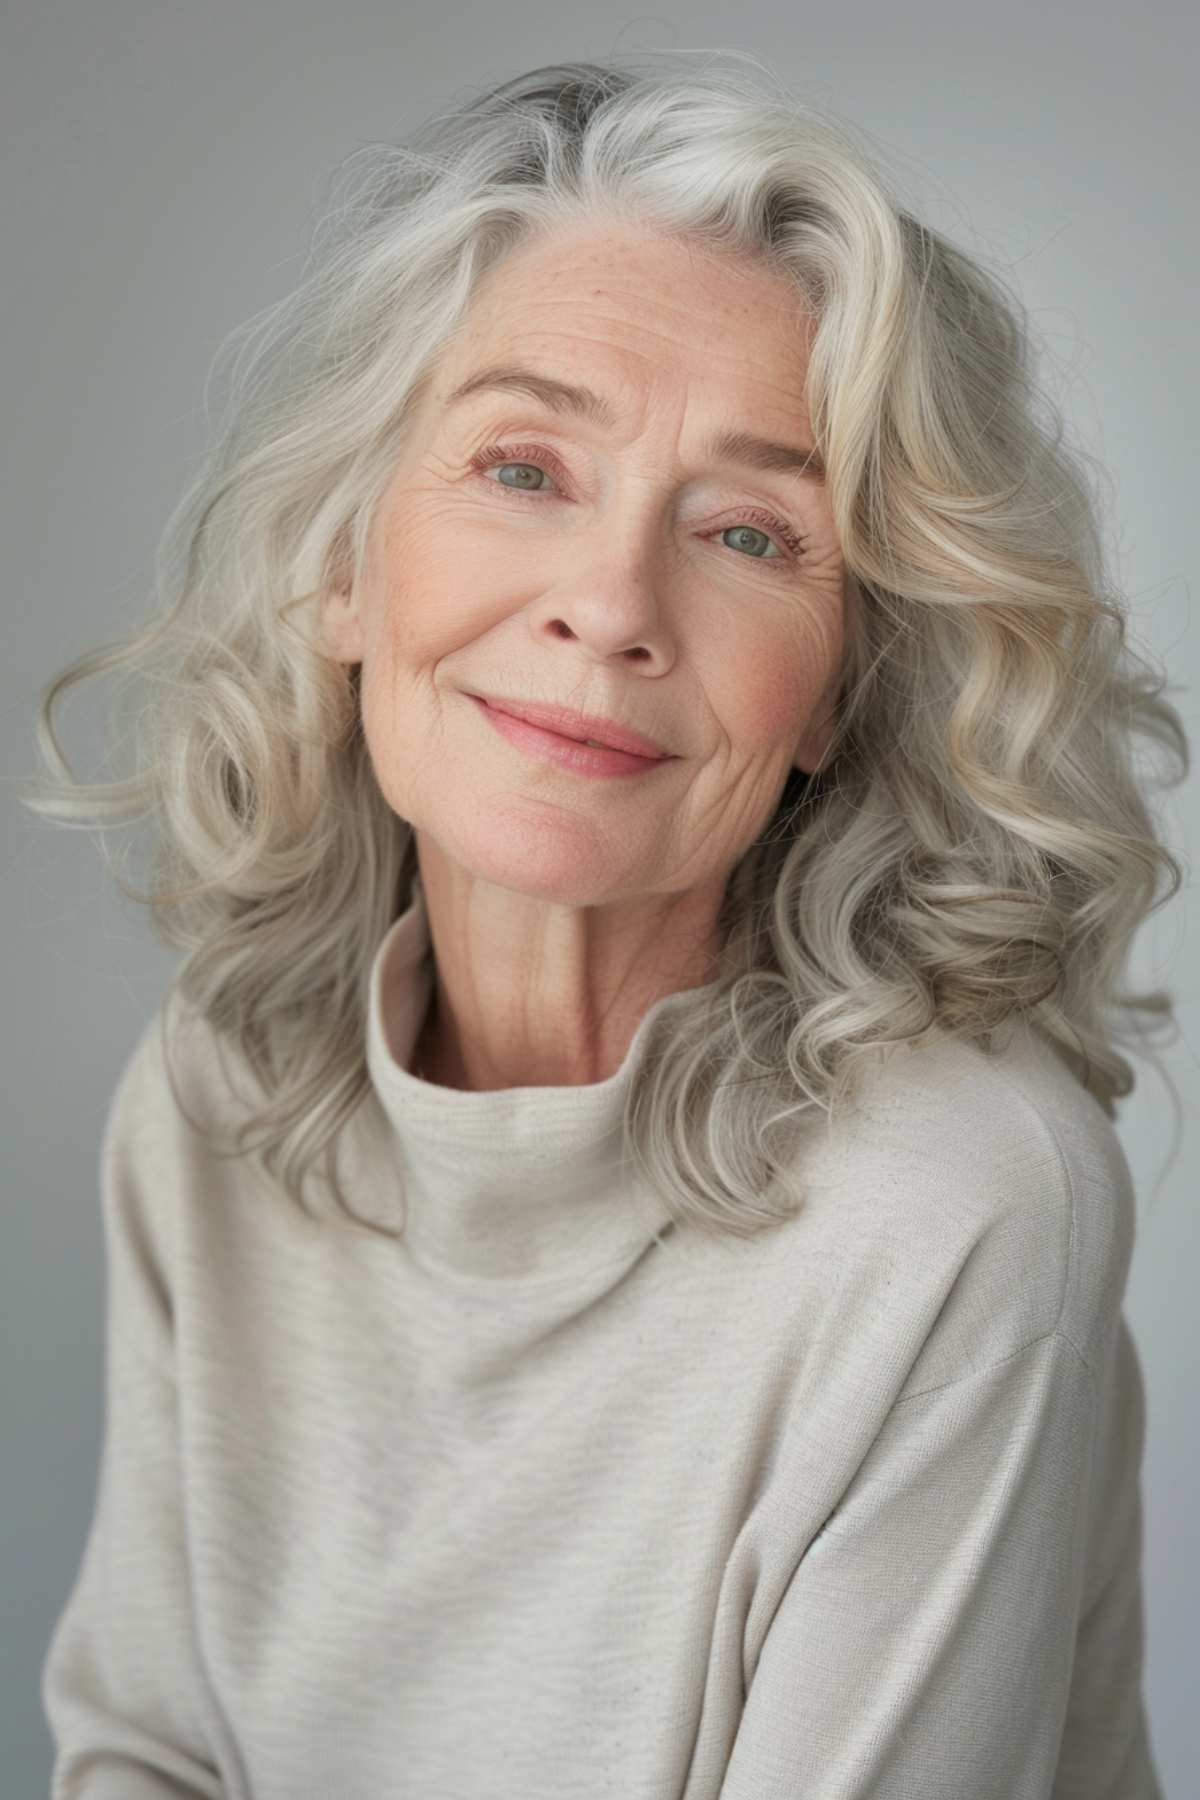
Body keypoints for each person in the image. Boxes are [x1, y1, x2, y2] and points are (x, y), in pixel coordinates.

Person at [27, 52, 1184, 1800]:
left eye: (744, 531)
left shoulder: (957, 1202)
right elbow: (146, 1752)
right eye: (523, 468)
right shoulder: (217, 1092)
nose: (611, 606)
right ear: (347, 567)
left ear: (836, 697)